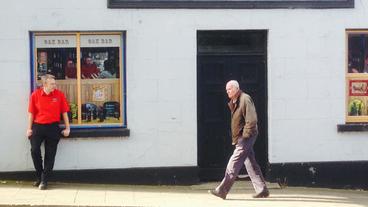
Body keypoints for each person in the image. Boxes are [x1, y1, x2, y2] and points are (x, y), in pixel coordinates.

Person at [208, 80, 269, 199]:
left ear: (236, 88)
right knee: (250, 163)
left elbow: (252, 119)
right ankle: (262, 189)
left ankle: (222, 190)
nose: (227, 91)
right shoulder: (234, 101)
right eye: (226, 90)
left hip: (246, 136)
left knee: (234, 161)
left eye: (229, 89)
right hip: (242, 137)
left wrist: (245, 135)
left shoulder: (245, 98)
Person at [26, 74, 70, 190]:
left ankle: (44, 180)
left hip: (53, 127)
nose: (54, 86)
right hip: (38, 126)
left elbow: (64, 112)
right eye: (52, 84)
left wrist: (67, 128)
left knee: (50, 155)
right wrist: (29, 128)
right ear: (44, 84)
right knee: (34, 151)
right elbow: (31, 113)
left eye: (54, 83)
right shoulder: (35, 95)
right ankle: (39, 176)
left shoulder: (59, 95)